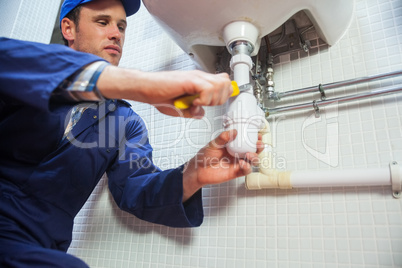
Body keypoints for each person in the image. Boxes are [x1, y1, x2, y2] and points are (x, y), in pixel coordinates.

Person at [0, 0, 262, 267]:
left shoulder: (125, 122)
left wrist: (194, 173)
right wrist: (140, 85)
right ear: (68, 28)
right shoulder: (25, 73)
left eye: (121, 26)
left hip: (36, 246)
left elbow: (136, 189)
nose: (116, 33)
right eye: (103, 22)